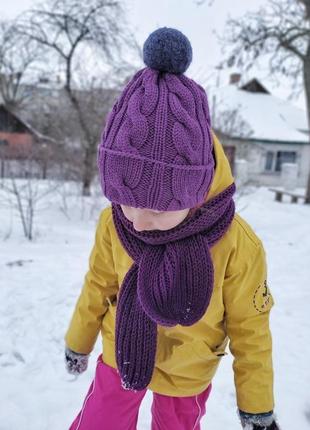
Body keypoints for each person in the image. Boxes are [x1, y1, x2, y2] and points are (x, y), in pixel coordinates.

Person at [65, 27, 280, 430]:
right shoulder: (114, 222)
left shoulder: (237, 245)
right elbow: (98, 283)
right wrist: (79, 340)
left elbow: (251, 329)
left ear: (195, 193)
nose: (137, 220)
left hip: (188, 371)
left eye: (159, 209)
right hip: (121, 352)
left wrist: (257, 404)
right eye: (125, 200)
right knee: (100, 421)